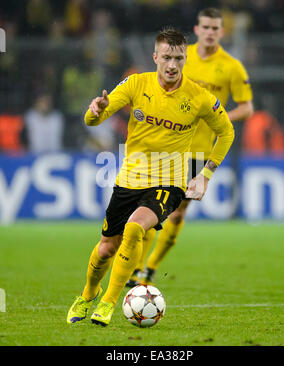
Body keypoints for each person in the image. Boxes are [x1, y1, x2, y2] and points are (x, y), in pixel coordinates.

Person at [67, 27, 234, 326]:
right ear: (155, 57)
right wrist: (96, 110)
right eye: (167, 57)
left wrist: (206, 174)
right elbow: (93, 120)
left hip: (170, 183)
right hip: (129, 180)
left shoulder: (198, 97)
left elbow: (226, 131)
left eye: (179, 58)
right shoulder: (136, 83)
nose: (172, 65)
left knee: (134, 229)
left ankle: (107, 303)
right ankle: (89, 293)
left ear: (185, 60)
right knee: (106, 248)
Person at [127, 8, 253, 287]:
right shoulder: (181, 57)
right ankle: (136, 268)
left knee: (177, 211)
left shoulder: (232, 66)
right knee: (149, 205)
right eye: (205, 27)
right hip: (166, 145)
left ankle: (148, 267)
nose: (210, 32)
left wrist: (219, 118)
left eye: (215, 28)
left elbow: (247, 107)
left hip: (198, 151)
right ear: (197, 30)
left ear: (222, 31)